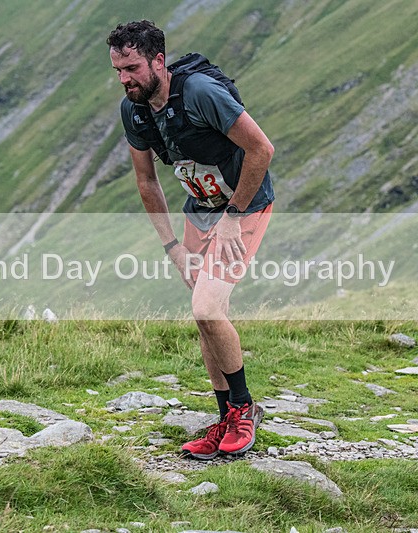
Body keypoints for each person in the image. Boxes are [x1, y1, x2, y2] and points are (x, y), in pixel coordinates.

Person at [107, 20, 275, 459]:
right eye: (118, 70)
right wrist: (172, 247)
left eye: (132, 68)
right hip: (200, 212)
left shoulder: (200, 93)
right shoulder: (134, 109)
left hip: (242, 208)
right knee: (206, 317)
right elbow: (147, 181)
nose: (124, 79)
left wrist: (233, 215)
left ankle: (243, 409)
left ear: (158, 61)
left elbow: (261, 149)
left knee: (206, 308)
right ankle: (225, 419)